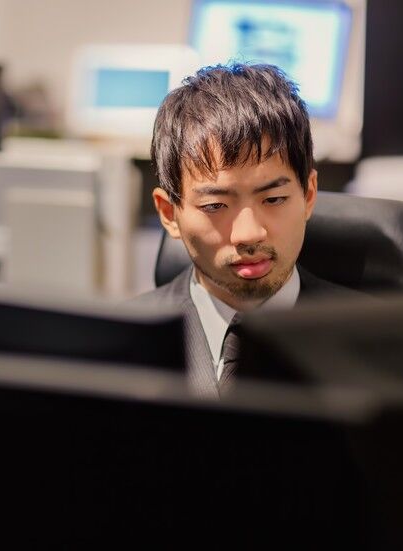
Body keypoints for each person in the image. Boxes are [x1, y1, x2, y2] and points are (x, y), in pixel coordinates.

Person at [132, 63, 355, 397]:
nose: (249, 234)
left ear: (309, 195)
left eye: (274, 199)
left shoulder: (379, 343)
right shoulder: (120, 344)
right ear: (169, 214)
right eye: (215, 206)